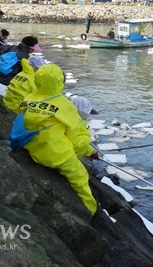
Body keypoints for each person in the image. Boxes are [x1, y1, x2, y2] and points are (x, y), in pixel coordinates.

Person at [19, 63, 99, 215]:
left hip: (31, 147)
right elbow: (74, 138)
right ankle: (90, 210)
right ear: (59, 82)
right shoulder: (64, 105)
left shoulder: (28, 99)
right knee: (80, 177)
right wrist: (87, 151)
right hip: (56, 155)